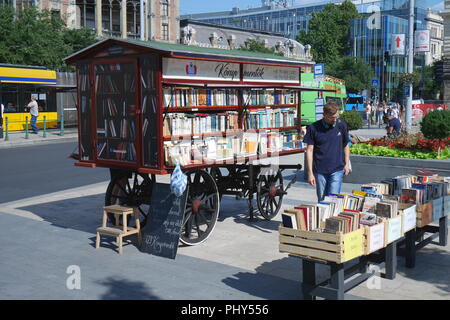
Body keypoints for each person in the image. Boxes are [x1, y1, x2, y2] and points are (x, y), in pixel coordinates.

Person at [304, 102, 351, 202]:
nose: (334, 120)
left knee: (333, 200)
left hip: (337, 169)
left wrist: (347, 164)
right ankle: (322, 218)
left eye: (336, 117)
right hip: (320, 169)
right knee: (322, 200)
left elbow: (346, 145)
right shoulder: (313, 128)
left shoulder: (341, 125)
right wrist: (310, 173)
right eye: (331, 118)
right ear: (324, 115)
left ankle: (331, 217)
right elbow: (309, 150)